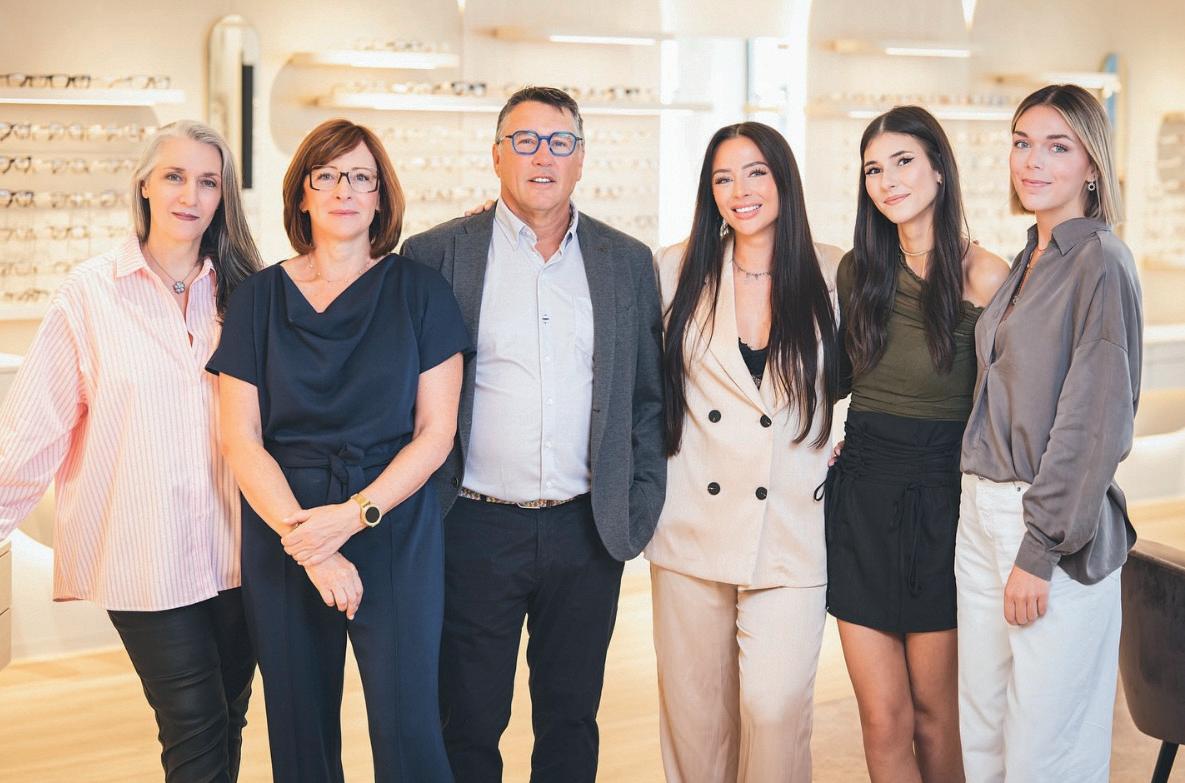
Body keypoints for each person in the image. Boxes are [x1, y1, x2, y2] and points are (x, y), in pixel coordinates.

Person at [401, 86, 666, 783]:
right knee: (467, 720)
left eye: (559, 142)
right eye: (524, 141)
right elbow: (403, 395)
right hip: (472, 526)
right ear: (496, 156)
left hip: (586, 530)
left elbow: (646, 398)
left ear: (580, 158)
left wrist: (636, 505)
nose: (542, 156)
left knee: (571, 719)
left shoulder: (625, 261)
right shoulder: (435, 254)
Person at [0, 120, 261, 781]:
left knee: (227, 715)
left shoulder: (248, 292)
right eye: (174, 175)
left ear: (223, 196)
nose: (190, 195)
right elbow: (34, 429)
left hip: (244, 552)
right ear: (144, 184)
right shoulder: (89, 294)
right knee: (193, 725)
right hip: (146, 557)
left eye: (208, 182)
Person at [210, 118, 469, 783]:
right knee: (299, 732)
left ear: (381, 197)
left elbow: (435, 432)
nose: (343, 190)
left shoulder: (421, 292)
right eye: (325, 175)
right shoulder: (258, 298)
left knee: (408, 729)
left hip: (392, 521)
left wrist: (354, 516)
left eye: (360, 177)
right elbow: (240, 438)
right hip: (284, 525)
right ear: (301, 194)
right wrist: (311, 545)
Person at [644, 121, 841, 783]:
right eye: (722, 178)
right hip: (690, 526)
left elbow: (882, 369)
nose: (740, 191)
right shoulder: (672, 269)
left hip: (791, 527)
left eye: (755, 172)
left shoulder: (834, 270)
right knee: (696, 721)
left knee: (775, 707)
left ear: (783, 177)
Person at [957, 84, 1142, 782]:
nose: (1033, 161)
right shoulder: (1028, 257)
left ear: (1091, 165)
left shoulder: (1100, 263)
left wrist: (1038, 548)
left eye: (1057, 147)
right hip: (980, 515)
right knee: (982, 734)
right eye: (1022, 143)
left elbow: (1095, 423)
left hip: (1044, 526)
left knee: (1045, 752)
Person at [824, 106, 1008, 783]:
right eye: (873, 169)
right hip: (861, 496)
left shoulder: (986, 274)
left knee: (936, 717)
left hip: (943, 502)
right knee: (883, 719)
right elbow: (835, 382)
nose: (888, 180)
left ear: (938, 168)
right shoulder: (859, 270)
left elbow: (1004, 406)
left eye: (902, 161)